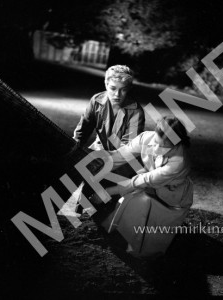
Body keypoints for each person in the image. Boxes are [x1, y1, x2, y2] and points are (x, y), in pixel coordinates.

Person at [102, 116, 193, 258]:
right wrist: (99, 163)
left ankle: (137, 246)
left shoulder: (179, 161)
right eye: (156, 142)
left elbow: (146, 180)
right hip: (148, 185)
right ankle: (122, 235)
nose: (156, 149)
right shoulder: (146, 137)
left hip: (171, 196)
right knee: (135, 198)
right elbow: (120, 156)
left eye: (164, 146)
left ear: (175, 144)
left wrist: (108, 192)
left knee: (139, 201)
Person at [73, 65, 145, 151]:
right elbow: (83, 130)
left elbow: (127, 149)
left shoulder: (136, 112)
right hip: (100, 147)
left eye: (123, 90)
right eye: (113, 88)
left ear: (129, 88)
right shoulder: (96, 101)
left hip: (123, 158)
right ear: (106, 85)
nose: (117, 94)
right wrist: (74, 146)